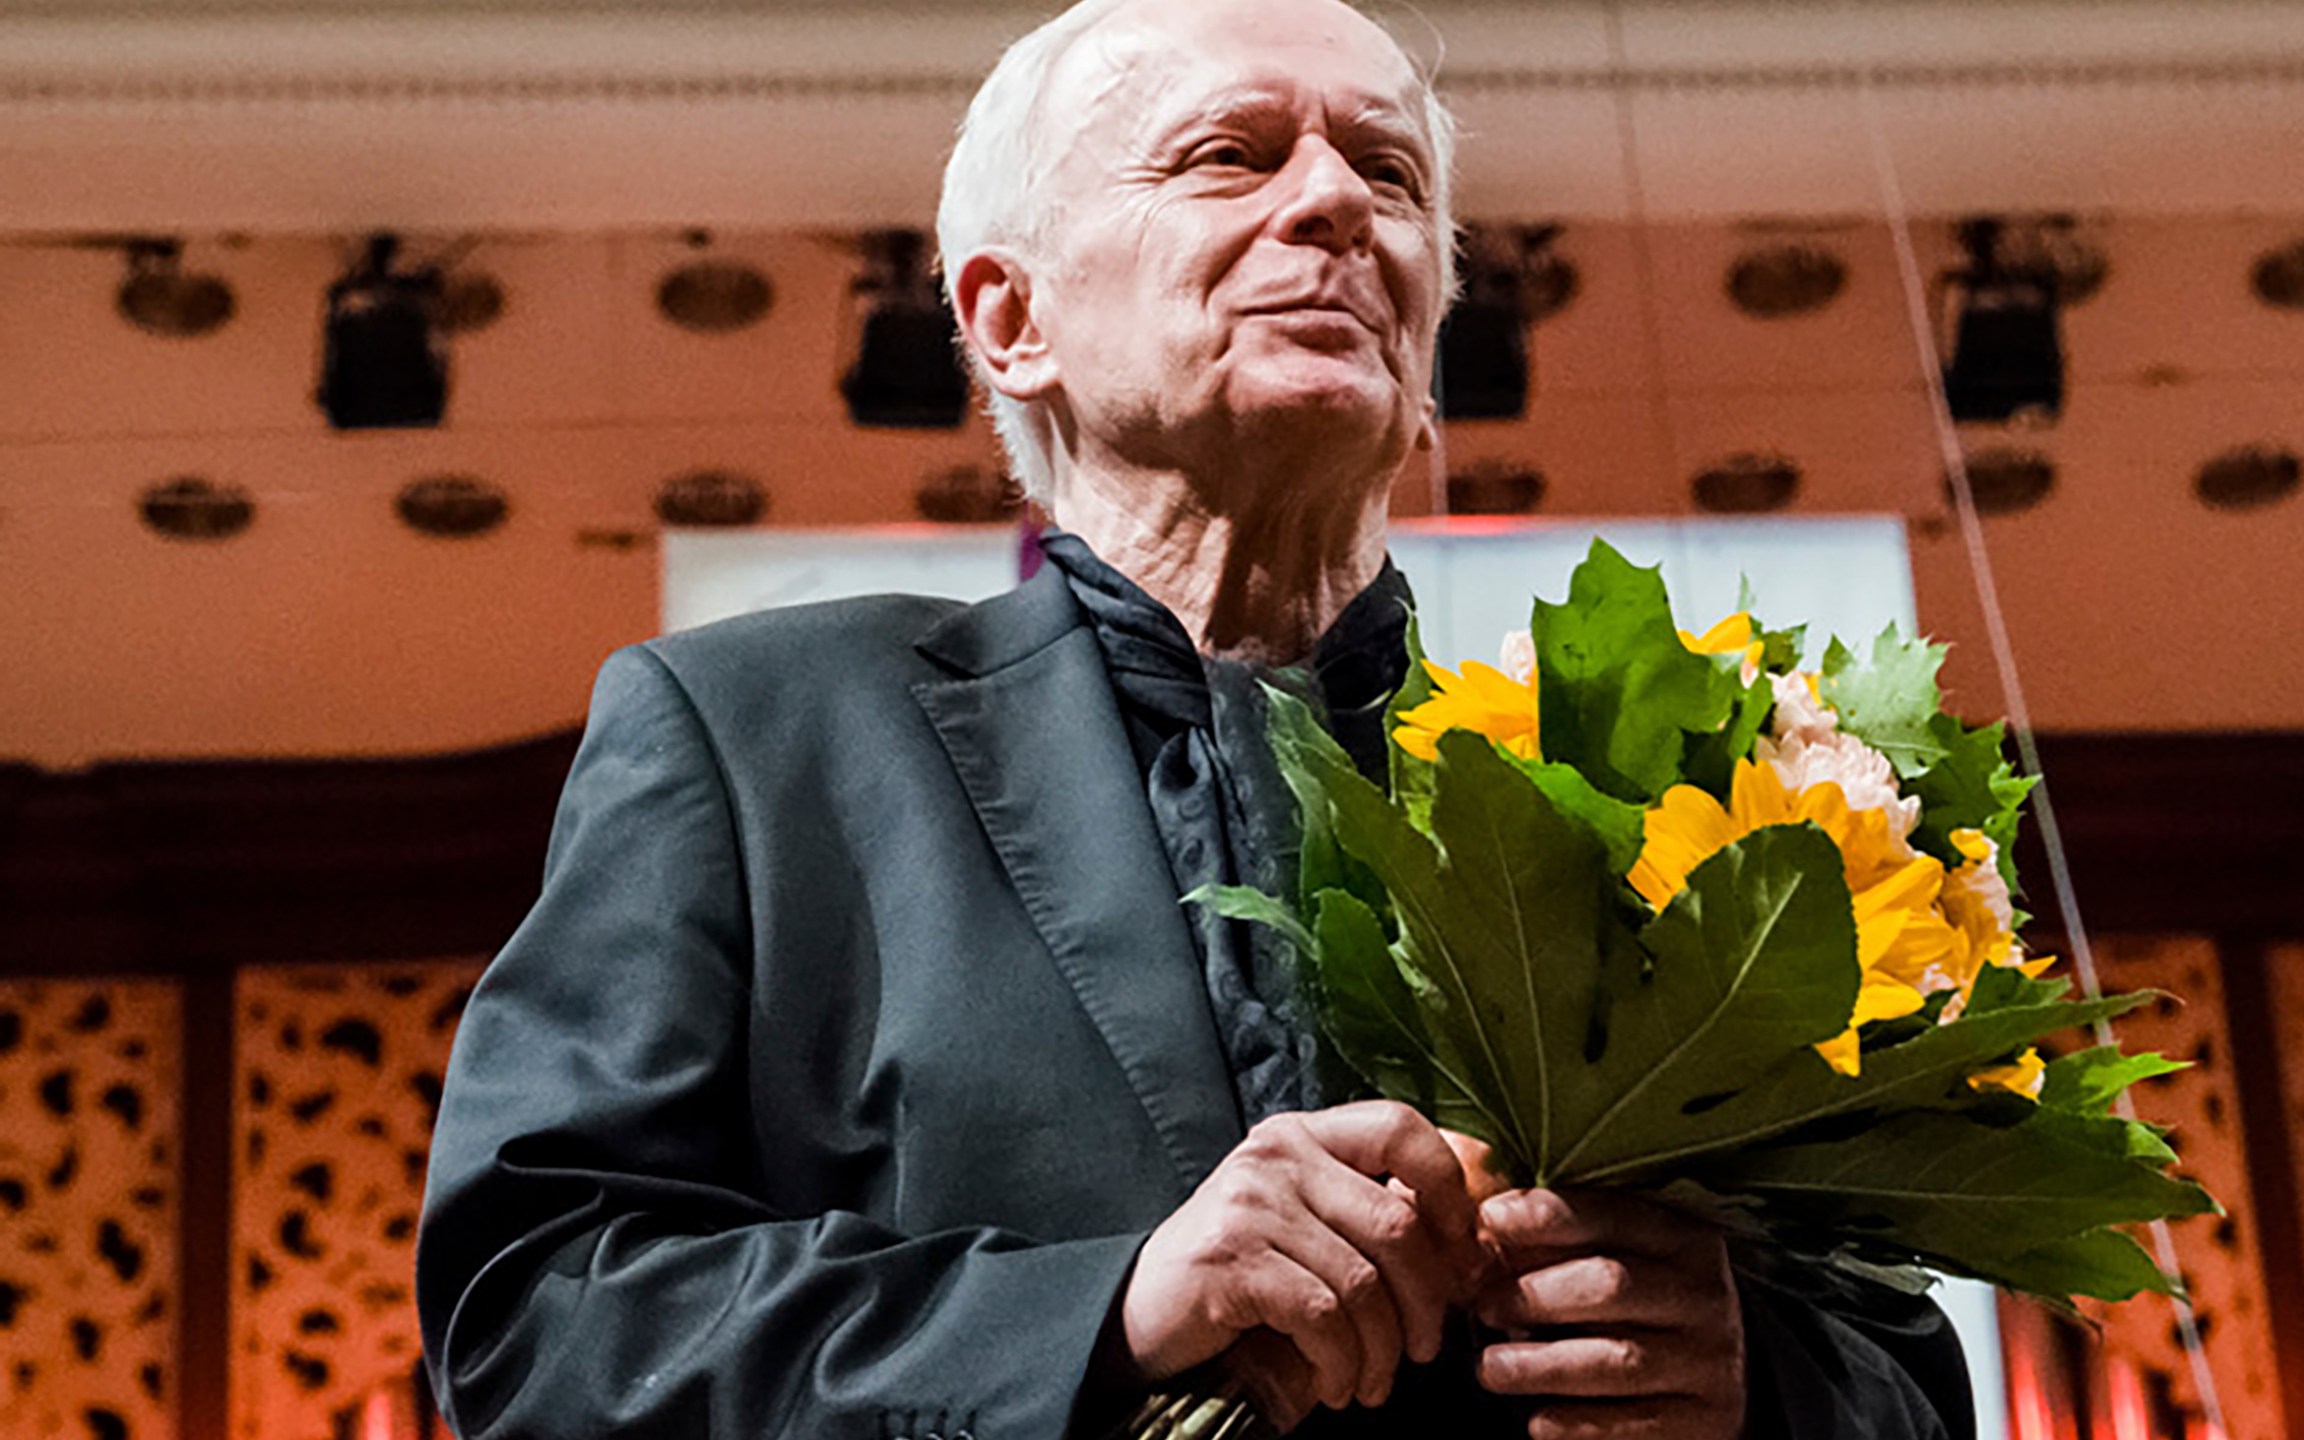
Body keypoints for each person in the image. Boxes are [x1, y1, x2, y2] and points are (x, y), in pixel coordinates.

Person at [416, 0, 1976, 1436]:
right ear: (1008, 316)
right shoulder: (754, 733)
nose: (1333, 207)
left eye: (1389, 173)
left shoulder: (1632, 789)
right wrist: (1107, 1312)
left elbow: (1905, 1368)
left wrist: (1758, 1370)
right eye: (1230, 156)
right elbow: (536, 1317)